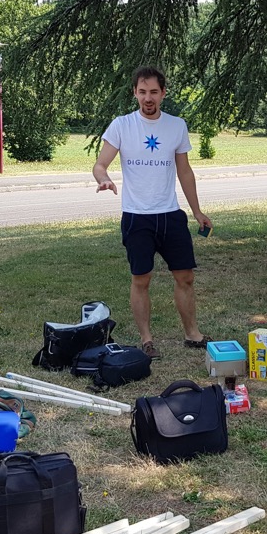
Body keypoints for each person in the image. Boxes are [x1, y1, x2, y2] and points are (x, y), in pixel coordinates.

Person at [93, 66, 213, 359]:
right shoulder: (121, 125)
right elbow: (100, 164)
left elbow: (184, 171)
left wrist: (196, 211)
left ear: (163, 94)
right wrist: (103, 179)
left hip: (170, 215)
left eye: (154, 92)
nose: (148, 98)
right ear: (135, 92)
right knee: (141, 279)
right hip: (136, 216)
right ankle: (147, 340)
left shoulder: (176, 126)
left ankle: (192, 334)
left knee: (185, 277)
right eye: (143, 92)